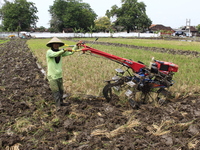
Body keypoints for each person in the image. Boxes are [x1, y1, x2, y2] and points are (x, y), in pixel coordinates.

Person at [46, 37, 82, 107]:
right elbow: (55, 54)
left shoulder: (61, 52)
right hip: (52, 76)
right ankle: (58, 106)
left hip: (59, 75)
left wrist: (76, 46)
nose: (56, 45)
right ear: (52, 45)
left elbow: (70, 53)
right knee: (56, 91)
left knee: (61, 91)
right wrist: (64, 50)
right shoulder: (49, 52)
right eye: (54, 44)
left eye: (57, 44)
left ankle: (61, 102)